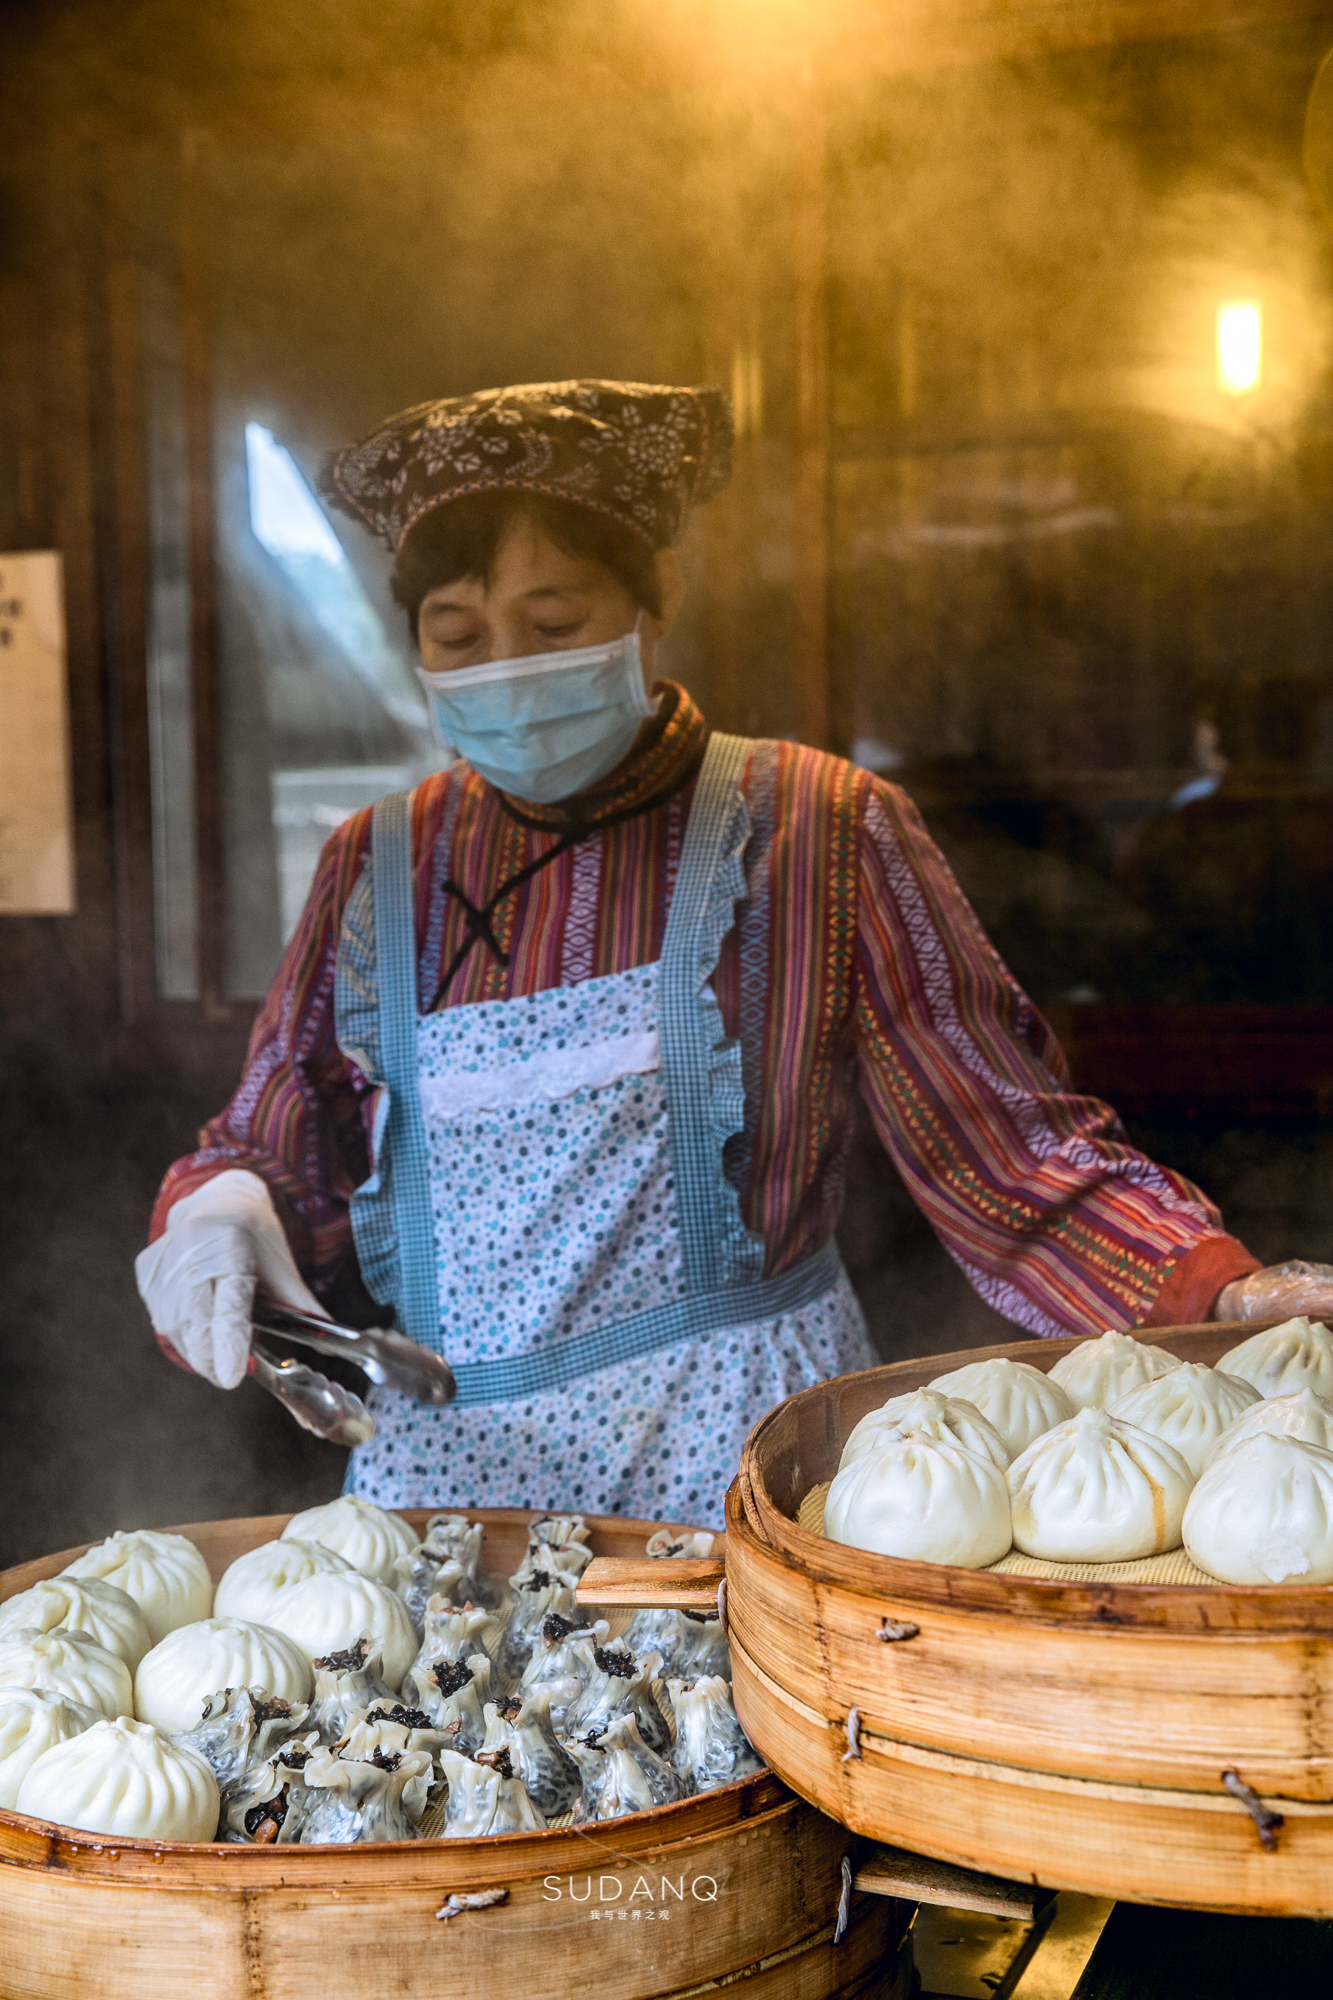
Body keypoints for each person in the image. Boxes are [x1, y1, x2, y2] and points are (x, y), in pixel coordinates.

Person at [135, 379, 1333, 1527]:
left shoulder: (816, 824)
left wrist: (1214, 1288)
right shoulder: (372, 862)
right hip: (455, 1478)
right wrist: (222, 1214)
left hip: (741, 1460)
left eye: (553, 623)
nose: (506, 667)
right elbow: (275, 1137)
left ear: (655, 599)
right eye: (456, 634)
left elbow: (1006, 1146)